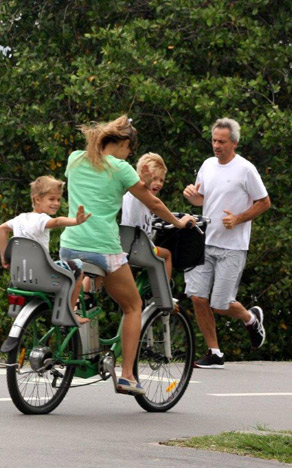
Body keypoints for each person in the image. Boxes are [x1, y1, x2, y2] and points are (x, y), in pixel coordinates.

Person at [60, 115, 195, 396]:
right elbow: (153, 202)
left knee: (86, 289)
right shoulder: (121, 168)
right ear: (122, 143)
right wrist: (179, 222)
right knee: (133, 306)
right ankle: (127, 375)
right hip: (103, 248)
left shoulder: (74, 158)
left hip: (70, 245)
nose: (129, 155)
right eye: (129, 149)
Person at [183, 117, 271, 369]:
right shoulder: (208, 165)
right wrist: (191, 196)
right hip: (205, 242)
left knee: (220, 304)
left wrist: (239, 218)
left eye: (222, 141)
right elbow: (202, 200)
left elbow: (264, 202)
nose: (216, 145)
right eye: (213, 140)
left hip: (233, 247)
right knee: (198, 297)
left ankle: (250, 318)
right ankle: (214, 352)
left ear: (234, 143)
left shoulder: (246, 169)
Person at [0, 175, 91, 324]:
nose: (56, 203)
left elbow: (1, 229)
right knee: (78, 266)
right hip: (42, 277)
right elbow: (58, 221)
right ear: (37, 199)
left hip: (20, 277)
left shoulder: (19, 219)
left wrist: (4, 258)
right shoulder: (41, 219)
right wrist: (76, 221)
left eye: (58, 200)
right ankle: (70, 313)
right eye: (51, 199)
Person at [121, 152, 174, 281]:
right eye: (154, 179)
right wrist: (143, 179)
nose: (159, 183)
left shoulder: (129, 196)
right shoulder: (139, 195)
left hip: (126, 247)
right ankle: (165, 295)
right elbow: (142, 186)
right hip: (141, 250)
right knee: (167, 255)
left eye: (161, 180)